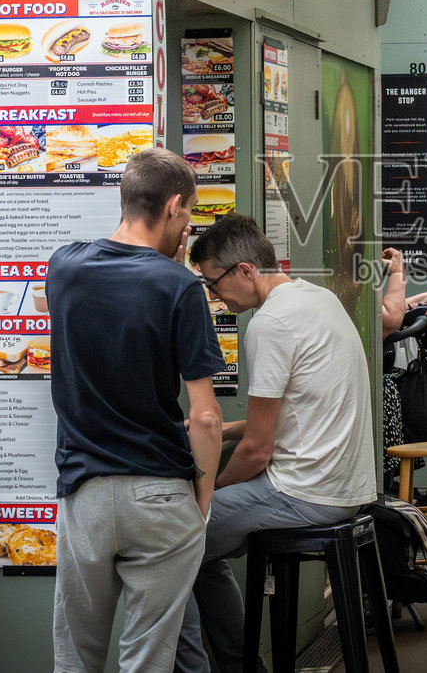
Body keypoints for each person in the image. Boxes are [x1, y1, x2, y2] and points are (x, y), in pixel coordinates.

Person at [48, 147, 224, 673]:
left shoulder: (65, 267)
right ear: (173, 207)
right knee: (148, 658)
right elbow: (206, 417)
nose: (188, 225)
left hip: (85, 495)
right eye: (190, 212)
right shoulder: (179, 287)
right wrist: (203, 503)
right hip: (159, 494)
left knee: (76, 656)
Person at [178, 214, 377, 673]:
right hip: (344, 486)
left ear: (245, 270)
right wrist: (223, 429)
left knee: (172, 541)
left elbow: (258, 451)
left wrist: (210, 494)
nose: (214, 296)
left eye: (214, 284)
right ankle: (243, 668)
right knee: (203, 555)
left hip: (305, 493)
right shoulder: (318, 299)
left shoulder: (269, 324)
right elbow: (300, 409)